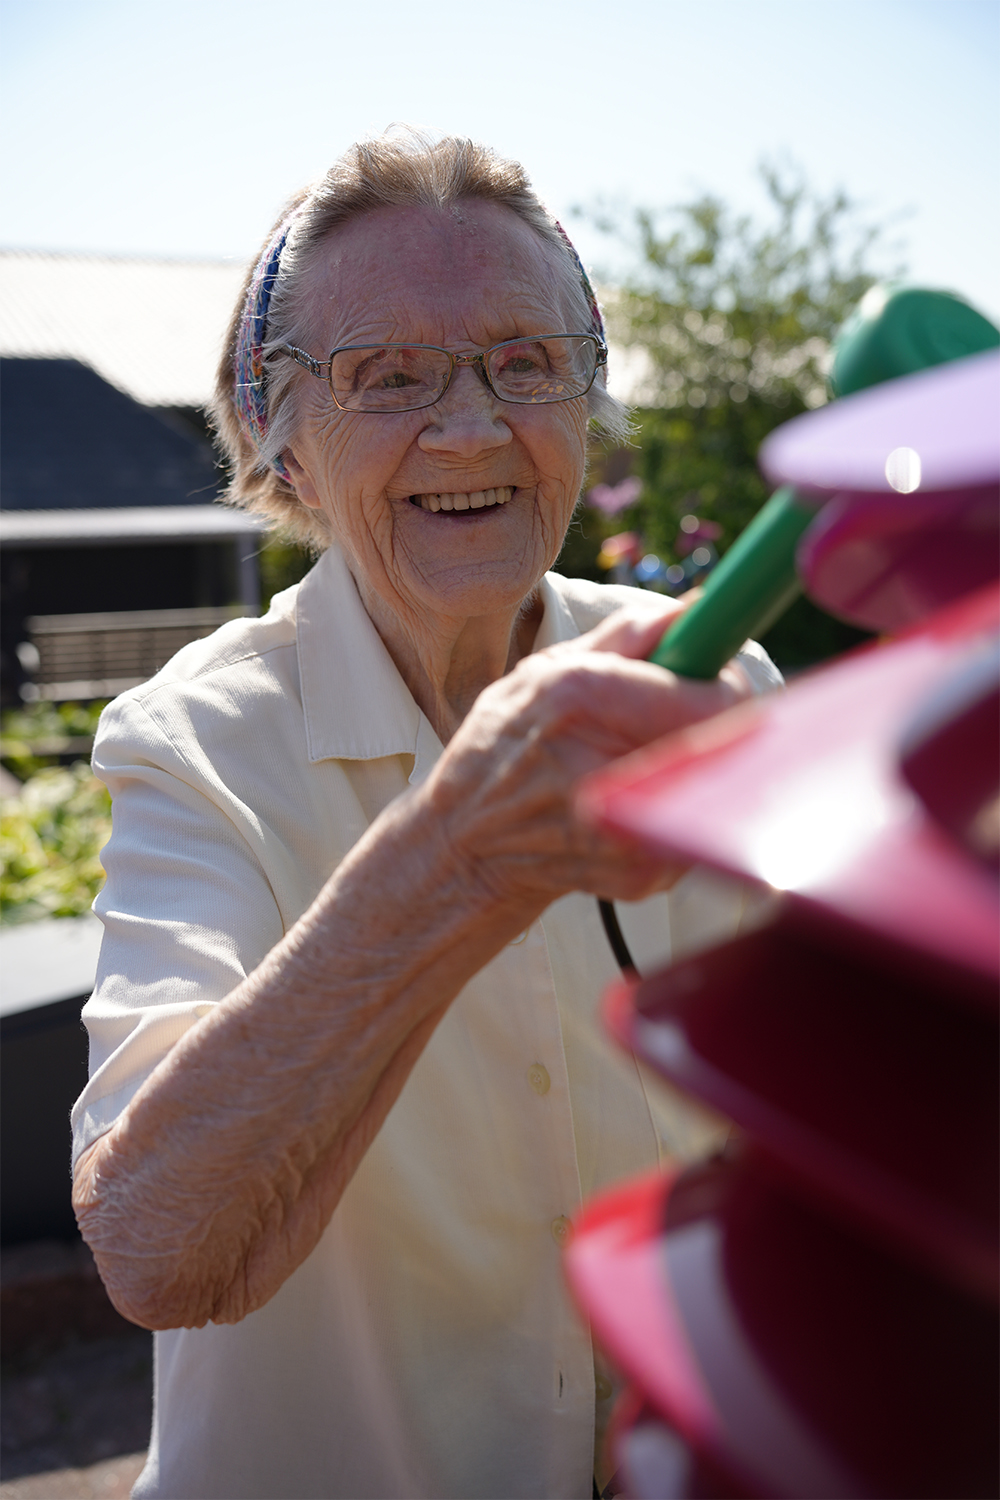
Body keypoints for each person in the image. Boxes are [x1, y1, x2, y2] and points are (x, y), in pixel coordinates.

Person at [71, 130, 780, 1500]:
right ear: (273, 434)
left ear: (587, 396)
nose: (470, 427)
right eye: (384, 377)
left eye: (526, 362)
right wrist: (457, 860)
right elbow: (159, 1250)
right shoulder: (197, 743)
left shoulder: (712, 675)